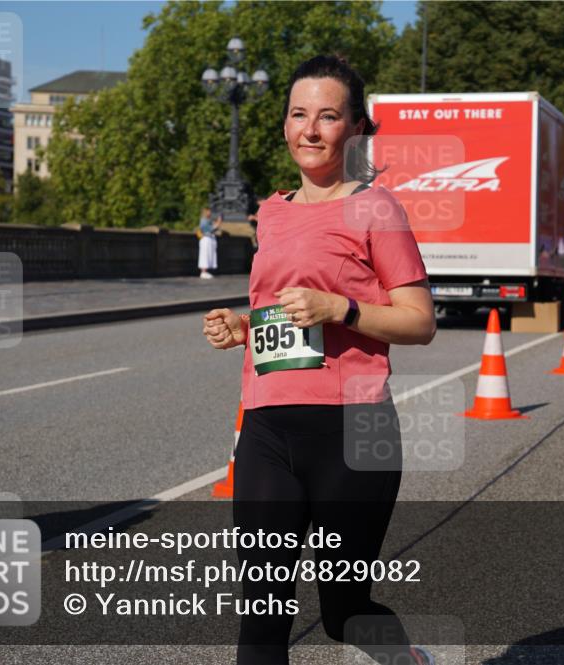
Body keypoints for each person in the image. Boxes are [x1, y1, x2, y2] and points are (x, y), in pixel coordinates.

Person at [203, 55, 436, 665]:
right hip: (267, 429)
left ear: (356, 129)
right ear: (283, 126)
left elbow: (419, 321)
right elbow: (286, 309)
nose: (310, 129)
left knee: (343, 613)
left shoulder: (376, 208)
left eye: (327, 116)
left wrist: (342, 307)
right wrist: (244, 325)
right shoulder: (271, 212)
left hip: (354, 433)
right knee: (261, 618)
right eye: (298, 114)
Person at [198, 206, 221, 279]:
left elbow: (214, 228)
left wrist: (217, 223)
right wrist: (218, 222)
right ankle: (203, 272)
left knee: (208, 255)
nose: (210, 213)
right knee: (205, 255)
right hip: (206, 239)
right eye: (208, 211)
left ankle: (205, 271)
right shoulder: (204, 220)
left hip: (209, 239)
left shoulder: (208, 220)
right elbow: (210, 229)